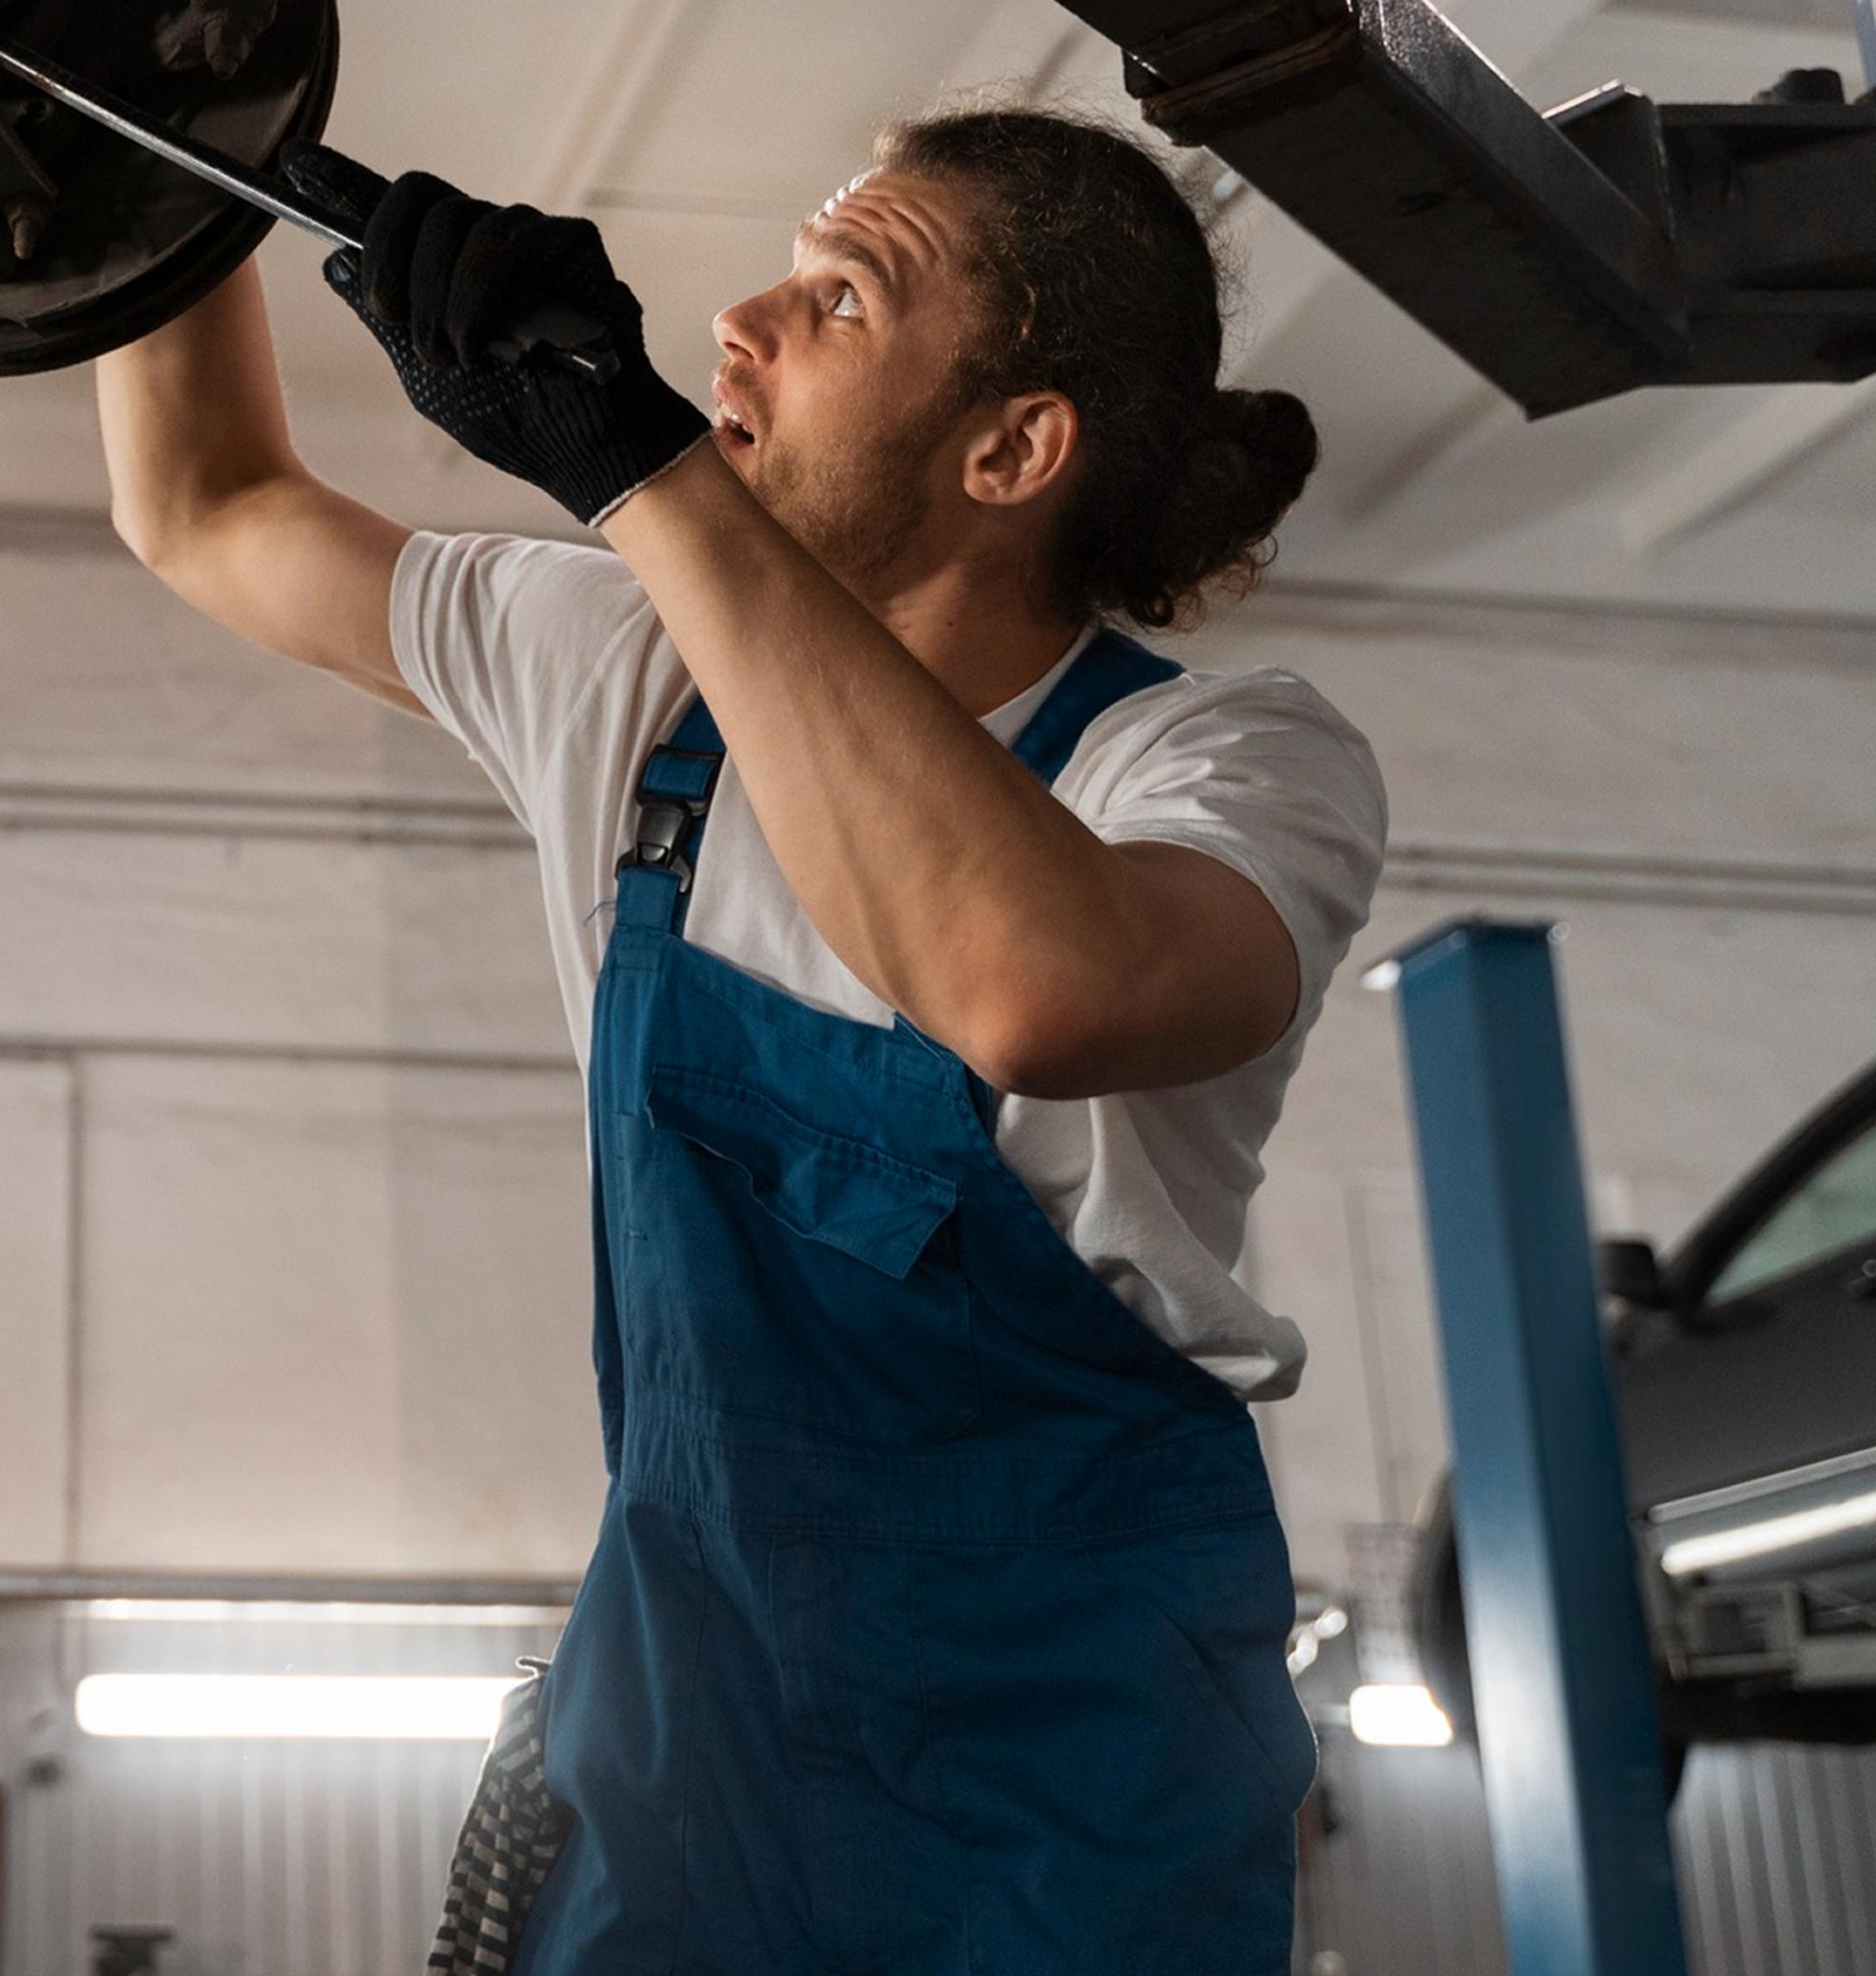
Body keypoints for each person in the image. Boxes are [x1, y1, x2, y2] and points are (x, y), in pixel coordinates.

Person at [100, 110, 1388, 1970]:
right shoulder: (628, 673)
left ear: (1013, 445)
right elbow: (207, 505)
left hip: (1060, 1795)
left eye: (839, 295)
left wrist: (636, 471)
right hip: (675, 1737)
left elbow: (1036, 986)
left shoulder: (1215, 765)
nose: (741, 320)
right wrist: (165, 141)